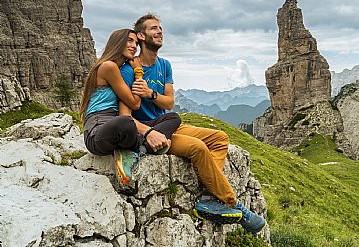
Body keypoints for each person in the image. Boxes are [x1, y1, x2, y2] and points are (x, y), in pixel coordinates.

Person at [120, 14, 266, 233]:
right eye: (153, 29)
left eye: (161, 28)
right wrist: (149, 132)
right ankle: (234, 204)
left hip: (168, 123)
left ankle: (208, 197)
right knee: (198, 148)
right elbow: (126, 116)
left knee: (220, 138)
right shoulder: (130, 69)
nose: (160, 32)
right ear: (141, 36)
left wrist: (150, 93)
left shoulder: (164, 65)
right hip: (150, 130)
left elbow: (169, 103)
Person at [80, 28, 180, 186]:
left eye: (136, 42)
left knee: (173, 118)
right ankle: (143, 145)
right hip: (98, 131)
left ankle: (137, 150)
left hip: (116, 125)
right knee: (126, 122)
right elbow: (135, 103)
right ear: (117, 43)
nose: (134, 45)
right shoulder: (108, 66)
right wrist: (138, 71)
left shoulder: (118, 68)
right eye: (129, 40)